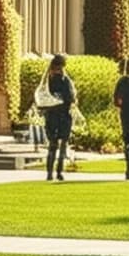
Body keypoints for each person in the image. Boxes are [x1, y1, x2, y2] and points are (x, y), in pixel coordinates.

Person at [39, 54, 77, 182]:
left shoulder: (46, 81)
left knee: (52, 144)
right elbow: (71, 98)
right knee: (63, 144)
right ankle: (59, 172)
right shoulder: (65, 81)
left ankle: (49, 173)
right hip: (64, 115)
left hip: (51, 115)